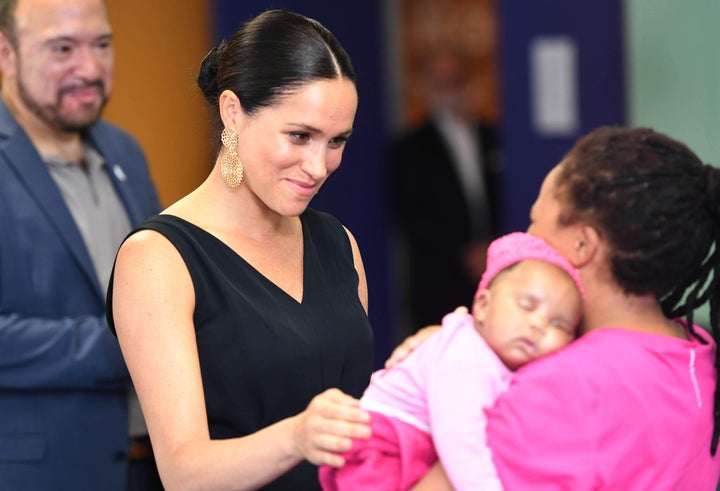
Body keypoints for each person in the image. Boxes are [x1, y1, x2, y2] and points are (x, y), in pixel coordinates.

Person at [106, 9, 374, 491]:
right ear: (233, 111)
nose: (319, 166)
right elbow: (184, 472)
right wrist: (295, 437)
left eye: (337, 141)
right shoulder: (158, 258)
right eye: (300, 135)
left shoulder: (338, 243)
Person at [394, 126, 720, 490]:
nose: (528, 239)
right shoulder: (699, 353)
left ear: (583, 245)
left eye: (535, 223)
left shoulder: (565, 385)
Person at [0, 0, 163, 489]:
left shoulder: (125, 151)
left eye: (102, 45)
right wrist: (127, 345)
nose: (89, 69)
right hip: (44, 473)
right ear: (5, 53)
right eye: (63, 48)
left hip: (153, 463)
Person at [319, 231, 584, 490]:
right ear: (482, 306)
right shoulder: (466, 355)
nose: (538, 325)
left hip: (415, 450)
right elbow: (463, 443)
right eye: (527, 306)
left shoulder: (500, 361)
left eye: (558, 323)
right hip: (382, 450)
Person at [392, 47, 504, 335]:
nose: (448, 88)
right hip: (438, 282)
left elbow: (504, 197)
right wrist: (465, 253)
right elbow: (411, 213)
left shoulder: (493, 136)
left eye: (455, 79)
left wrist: (490, 248)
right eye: (440, 80)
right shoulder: (410, 146)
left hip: (494, 274)